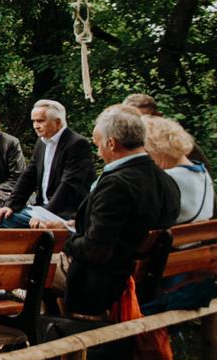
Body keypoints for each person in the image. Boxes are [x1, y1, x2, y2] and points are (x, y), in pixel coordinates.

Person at [39, 105, 180, 316]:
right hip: (137, 279)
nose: (98, 152)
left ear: (111, 143)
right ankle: (45, 329)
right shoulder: (166, 181)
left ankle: (24, 338)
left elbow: (95, 251)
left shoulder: (117, 185)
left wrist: (66, 238)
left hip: (99, 282)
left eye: (98, 145)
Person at [0, 100, 96, 227]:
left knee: (39, 230)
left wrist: (45, 215)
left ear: (57, 122)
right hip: (42, 208)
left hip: (67, 213)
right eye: (34, 121)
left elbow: (70, 185)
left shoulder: (77, 144)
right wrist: (11, 205)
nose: (35, 125)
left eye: (40, 121)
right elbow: (28, 177)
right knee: (3, 217)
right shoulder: (41, 142)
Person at [142, 115, 213, 224]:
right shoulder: (202, 173)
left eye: (146, 151)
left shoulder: (167, 179)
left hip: (174, 240)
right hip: (195, 239)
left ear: (157, 148)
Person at [124, 91, 211, 168]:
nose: (141, 122)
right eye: (135, 119)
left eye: (146, 117)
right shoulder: (122, 141)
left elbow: (203, 169)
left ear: (158, 116)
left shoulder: (175, 139)